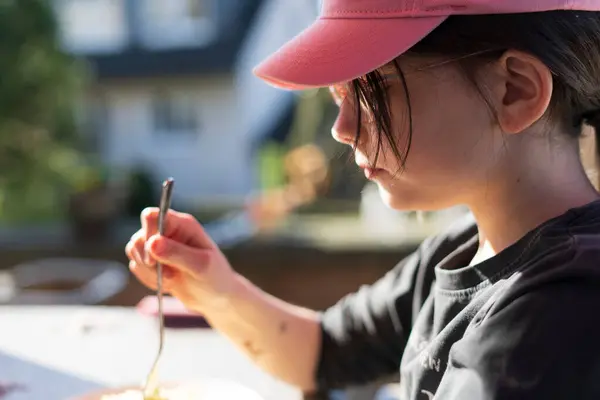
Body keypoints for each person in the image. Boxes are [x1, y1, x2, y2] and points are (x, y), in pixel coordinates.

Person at [125, 1, 600, 399]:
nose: (342, 128)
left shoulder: (558, 315)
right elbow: (324, 352)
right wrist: (217, 289)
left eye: (375, 90)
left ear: (515, 90)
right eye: (338, 97)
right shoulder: (465, 249)